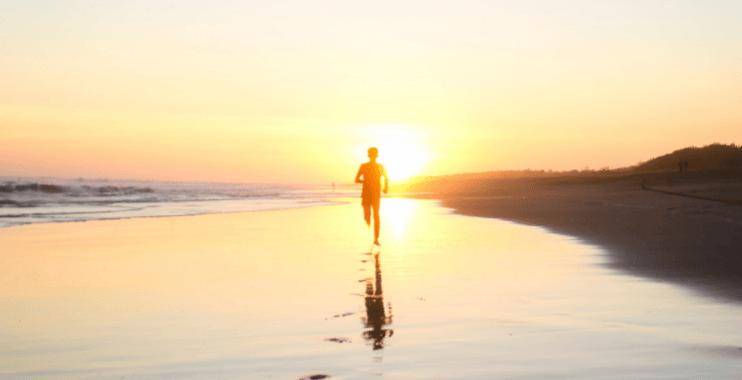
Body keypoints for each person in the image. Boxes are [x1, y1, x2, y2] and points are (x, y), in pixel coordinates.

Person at [355, 147, 388, 245]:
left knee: (375, 215)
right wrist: (385, 187)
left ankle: (376, 239)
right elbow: (356, 179)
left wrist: (385, 187)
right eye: (372, 154)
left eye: (373, 154)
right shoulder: (364, 166)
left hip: (373, 193)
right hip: (369, 193)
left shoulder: (378, 166)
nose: (373, 156)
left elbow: (386, 177)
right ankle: (375, 236)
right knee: (371, 215)